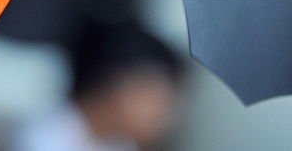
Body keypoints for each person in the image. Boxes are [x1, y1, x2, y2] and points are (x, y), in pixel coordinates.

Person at [11, 22, 182, 151]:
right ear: (116, 85)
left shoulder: (121, 145)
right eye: (152, 97)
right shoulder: (43, 132)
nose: (161, 115)